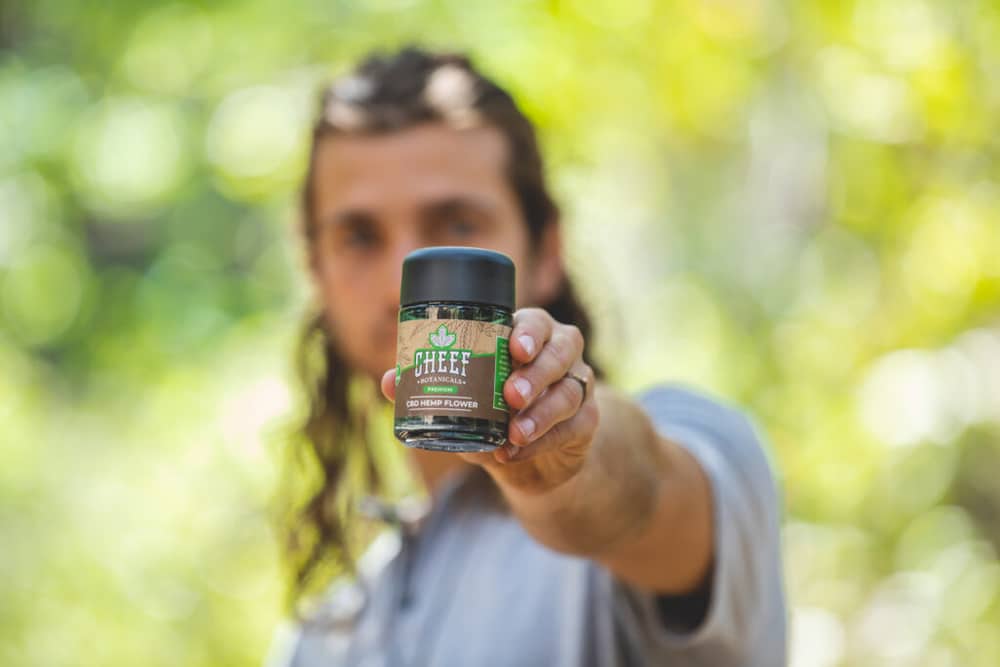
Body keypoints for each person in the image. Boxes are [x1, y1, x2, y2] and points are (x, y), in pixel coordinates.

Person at [272, 46, 786, 666]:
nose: (404, 282)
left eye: (457, 224)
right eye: (359, 236)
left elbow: (639, 493)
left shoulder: (701, 449)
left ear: (546, 252)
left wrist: (562, 461)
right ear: (316, 272)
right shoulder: (327, 631)